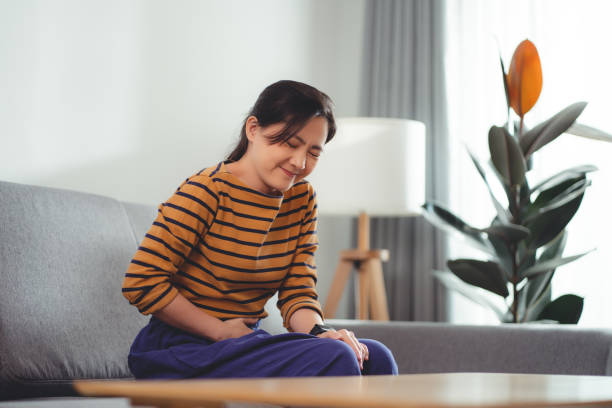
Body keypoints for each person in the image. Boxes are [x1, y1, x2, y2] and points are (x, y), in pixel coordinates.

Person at [122, 80, 398, 379]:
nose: (299, 162)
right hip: (179, 349)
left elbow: (298, 291)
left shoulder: (301, 200)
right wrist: (219, 331)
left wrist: (321, 332)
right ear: (253, 129)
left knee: (374, 356)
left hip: (242, 344)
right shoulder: (206, 190)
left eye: (314, 153)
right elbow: (141, 281)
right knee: (336, 357)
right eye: (290, 144)